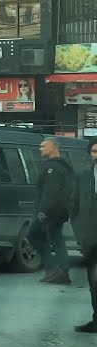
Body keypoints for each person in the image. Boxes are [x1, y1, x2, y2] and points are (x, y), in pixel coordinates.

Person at [31, 137, 75, 285]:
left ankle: (55, 269)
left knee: (34, 235)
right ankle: (60, 271)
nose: (40, 148)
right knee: (56, 239)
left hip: (51, 212)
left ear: (53, 147)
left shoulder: (54, 167)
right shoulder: (63, 166)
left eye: (43, 146)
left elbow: (51, 191)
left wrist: (43, 210)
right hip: (59, 210)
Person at [70, 138, 97, 334]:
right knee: (95, 283)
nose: (96, 155)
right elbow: (74, 204)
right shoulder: (84, 176)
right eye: (94, 151)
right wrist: (79, 230)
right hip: (91, 238)